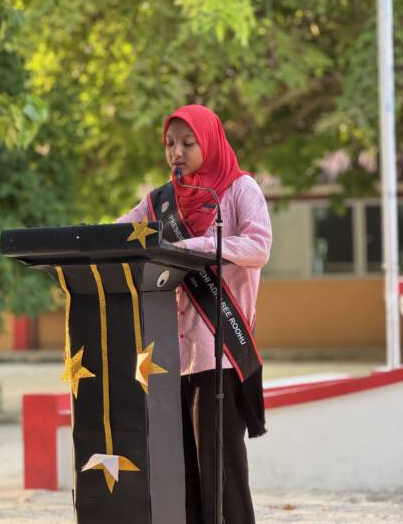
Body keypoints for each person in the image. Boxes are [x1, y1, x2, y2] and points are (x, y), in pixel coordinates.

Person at [116, 104, 272, 524]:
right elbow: (120, 233)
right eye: (170, 144)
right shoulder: (160, 202)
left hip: (222, 353)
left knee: (222, 472)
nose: (176, 153)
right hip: (173, 357)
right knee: (182, 472)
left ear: (211, 142)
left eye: (188, 143)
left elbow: (258, 246)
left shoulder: (239, 190)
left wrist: (191, 248)